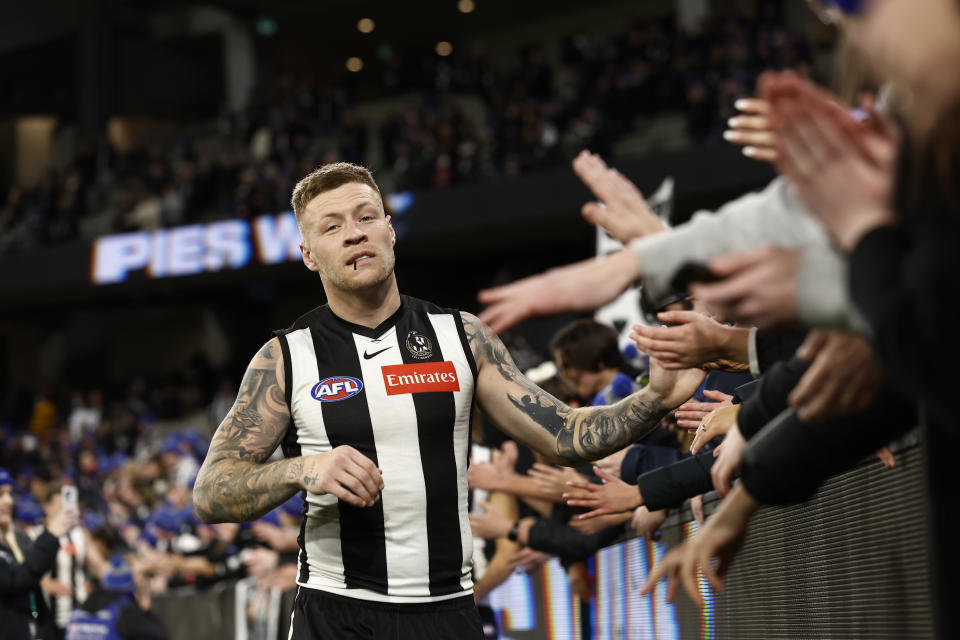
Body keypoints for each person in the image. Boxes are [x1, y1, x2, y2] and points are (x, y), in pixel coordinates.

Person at [192, 162, 706, 639]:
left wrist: (657, 396)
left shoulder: (462, 337)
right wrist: (301, 469)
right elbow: (212, 491)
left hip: (448, 611)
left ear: (389, 230)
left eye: (366, 216)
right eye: (331, 227)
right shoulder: (284, 358)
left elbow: (568, 435)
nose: (354, 232)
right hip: (335, 612)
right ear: (309, 254)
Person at [1, 468, 79, 640]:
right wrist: (51, 535)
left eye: (10, 493)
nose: (9, 501)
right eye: (1, 495)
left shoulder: (20, 538)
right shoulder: (37, 535)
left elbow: (30, 576)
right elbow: (14, 582)